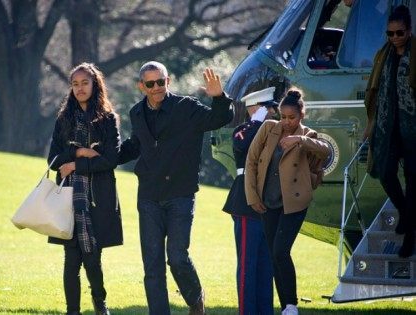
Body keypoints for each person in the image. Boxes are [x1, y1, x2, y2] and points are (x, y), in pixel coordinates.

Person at [119, 61, 233, 315]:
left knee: (177, 256)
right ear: (142, 87)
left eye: (161, 81)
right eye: (151, 83)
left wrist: (219, 98)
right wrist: (106, 156)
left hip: (180, 194)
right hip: (148, 195)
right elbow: (136, 145)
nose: (157, 87)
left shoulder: (187, 107)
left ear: (168, 81)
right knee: (152, 264)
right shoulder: (136, 113)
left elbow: (219, 118)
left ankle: (195, 299)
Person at [245, 89, 329, 315]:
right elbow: (251, 162)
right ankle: (286, 307)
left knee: (281, 251)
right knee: (275, 255)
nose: (286, 122)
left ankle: (291, 304)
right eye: (283, 117)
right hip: (267, 202)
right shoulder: (268, 128)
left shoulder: (309, 135)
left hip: (294, 203)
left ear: (302, 115)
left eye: (291, 118)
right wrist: (253, 197)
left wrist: (300, 139)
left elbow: (326, 151)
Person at [47, 62, 123, 315]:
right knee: (71, 259)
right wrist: (80, 152)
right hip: (68, 200)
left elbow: (110, 160)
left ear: (95, 85)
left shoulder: (108, 120)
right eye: (75, 84)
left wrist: (74, 165)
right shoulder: (64, 119)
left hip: (97, 200)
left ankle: (100, 305)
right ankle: (72, 311)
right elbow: (53, 160)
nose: (79, 88)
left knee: (93, 258)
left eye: (84, 83)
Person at [363, 5, 416, 258]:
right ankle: (407, 215)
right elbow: (375, 93)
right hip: (388, 126)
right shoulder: (383, 56)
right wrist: (371, 125)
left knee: (414, 184)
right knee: (384, 172)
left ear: (409, 30)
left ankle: (409, 238)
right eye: (390, 33)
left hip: (413, 128)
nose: (395, 38)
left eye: (400, 33)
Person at [223, 87, 277, 315]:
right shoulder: (244, 130)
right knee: (248, 265)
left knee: (266, 266)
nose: (274, 112)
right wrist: (257, 122)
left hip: (271, 203)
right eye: (268, 108)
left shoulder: (276, 131)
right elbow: (241, 145)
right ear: (255, 109)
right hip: (246, 202)